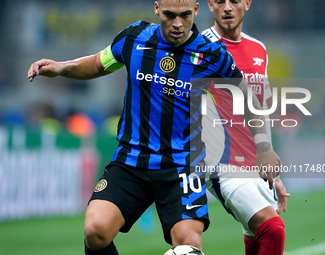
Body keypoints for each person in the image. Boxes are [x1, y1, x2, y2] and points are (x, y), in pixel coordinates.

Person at [27, 0, 280, 254]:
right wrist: (62, 68)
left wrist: (263, 145)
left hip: (181, 166)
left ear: (196, 10)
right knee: (95, 231)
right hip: (131, 160)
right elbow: (96, 63)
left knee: (188, 244)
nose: (178, 24)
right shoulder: (134, 37)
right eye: (170, 15)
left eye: (185, 15)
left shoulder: (212, 55)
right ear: (157, 9)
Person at [201, 0, 290, 254]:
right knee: (273, 229)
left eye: (234, 1)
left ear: (247, 4)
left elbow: (260, 107)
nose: (227, 7)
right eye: (220, 1)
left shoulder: (259, 49)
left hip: (255, 163)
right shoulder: (200, 47)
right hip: (221, 162)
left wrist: (270, 163)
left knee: (256, 238)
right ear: (210, 5)